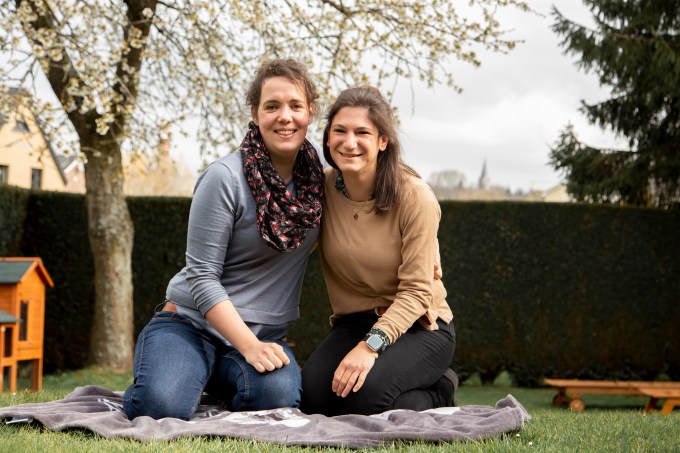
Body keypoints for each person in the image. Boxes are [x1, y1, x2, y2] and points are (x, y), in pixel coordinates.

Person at [123, 59, 323, 420]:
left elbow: (372, 203)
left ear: (311, 112)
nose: (285, 116)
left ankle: (208, 380)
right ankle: (171, 370)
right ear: (255, 114)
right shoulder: (225, 177)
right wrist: (250, 348)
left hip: (262, 335)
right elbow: (202, 276)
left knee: (276, 397)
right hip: (191, 325)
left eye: (295, 105)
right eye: (272, 106)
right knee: (161, 407)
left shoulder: (320, 187)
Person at [300, 86, 457, 416]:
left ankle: (441, 389)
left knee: (366, 398)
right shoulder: (321, 189)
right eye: (340, 131)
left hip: (420, 325)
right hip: (354, 322)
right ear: (327, 138)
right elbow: (287, 239)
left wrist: (370, 347)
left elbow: (417, 292)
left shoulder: (415, 197)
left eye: (362, 133)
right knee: (313, 397)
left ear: (383, 140)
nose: (349, 142)